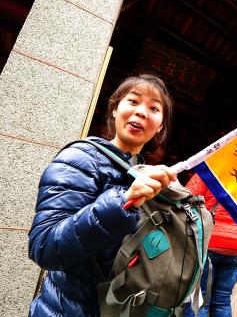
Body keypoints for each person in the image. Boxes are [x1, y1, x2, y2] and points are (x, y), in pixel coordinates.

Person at [28, 74, 177, 316]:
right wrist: (123, 202)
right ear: (115, 109)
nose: (141, 112)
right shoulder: (81, 158)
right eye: (133, 101)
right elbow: (44, 247)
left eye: (154, 108)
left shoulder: (145, 174)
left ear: (159, 126)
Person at [183, 173, 237, 317]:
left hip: (208, 242)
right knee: (223, 301)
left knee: (199, 299)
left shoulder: (208, 170)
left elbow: (184, 198)